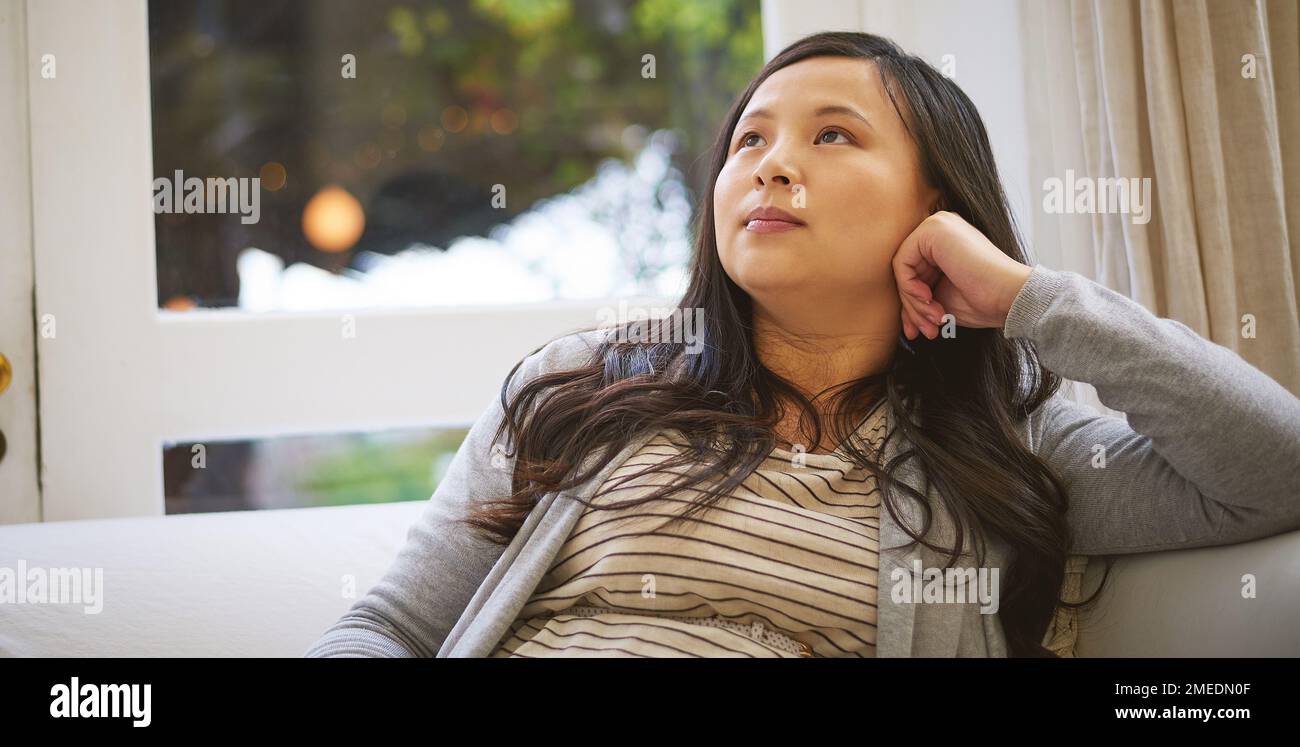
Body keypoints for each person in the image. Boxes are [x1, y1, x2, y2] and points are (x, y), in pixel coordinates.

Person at [307, 31, 1300, 658]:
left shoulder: (1010, 450)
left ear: (936, 205)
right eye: (749, 140)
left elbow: (1276, 470)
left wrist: (1030, 297)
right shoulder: (574, 386)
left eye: (832, 136)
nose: (771, 163)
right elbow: (389, 629)